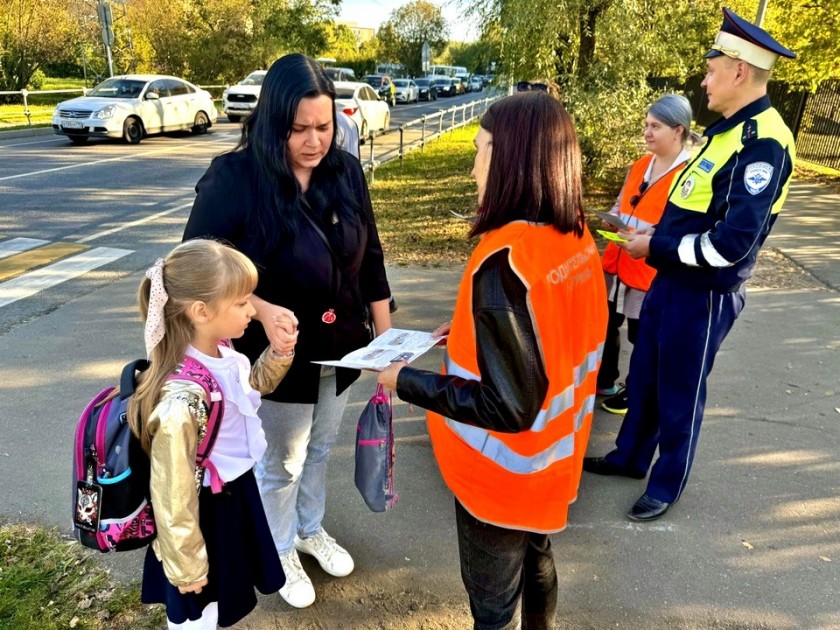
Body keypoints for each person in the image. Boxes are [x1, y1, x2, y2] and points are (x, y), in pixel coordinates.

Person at [378, 92, 608, 629]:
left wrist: (404, 380)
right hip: (556, 458)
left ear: (509, 159)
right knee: (538, 559)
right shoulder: (573, 236)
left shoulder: (503, 259)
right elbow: (556, 328)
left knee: (492, 605)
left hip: (500, 476)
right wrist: (469, 330)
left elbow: (507, 406)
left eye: (481, 149)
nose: (473, 163)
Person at [182, 52, 392, 609]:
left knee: (320, 447)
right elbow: (195, 266)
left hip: (341, 343)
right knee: (283, 460)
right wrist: (261, 303)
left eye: (324, 126)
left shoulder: (344, 171)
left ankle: (308, 527)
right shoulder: (236, 178)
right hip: (272, 352)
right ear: (273, 121)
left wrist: (387, 343)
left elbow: (371, 261)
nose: (314, 141)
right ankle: (278, 550)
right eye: (299, 129)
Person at [583, 7, 797, 522]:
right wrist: (653, 235)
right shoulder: (726, 133)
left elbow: (732, 245)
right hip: (670, 282)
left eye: (711, 70)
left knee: (680, 390)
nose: (704, 81)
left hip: (702, 293)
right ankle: (631, 457)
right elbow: (696, 217)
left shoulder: (762, 142)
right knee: (649, 376)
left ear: (739, 71)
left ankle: (667, 482)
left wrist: (652, 248)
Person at [133, 240, 298, 629]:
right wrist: (187, 566)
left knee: (220, 602)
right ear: (201, 311)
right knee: (198, 612)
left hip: (232, 495)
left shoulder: (222, 350)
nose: (253, 309)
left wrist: (278, 355)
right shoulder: (181, 398)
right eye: (241, 302)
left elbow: (247, 392)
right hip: (205, 511)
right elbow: (172, 495)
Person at [596, 94, 696, 415]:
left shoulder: (688, 175)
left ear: (678, 131)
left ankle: (634, 391)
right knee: (606, 323)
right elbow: (622, 202)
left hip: (647, 271)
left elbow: (678, 226)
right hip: (616, 262)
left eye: (655, 126)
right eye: (646, 125)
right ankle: (605, 379)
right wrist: (610, 217)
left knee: (643, 336)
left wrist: (646, 238)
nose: (647, 132)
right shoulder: (641, 164)